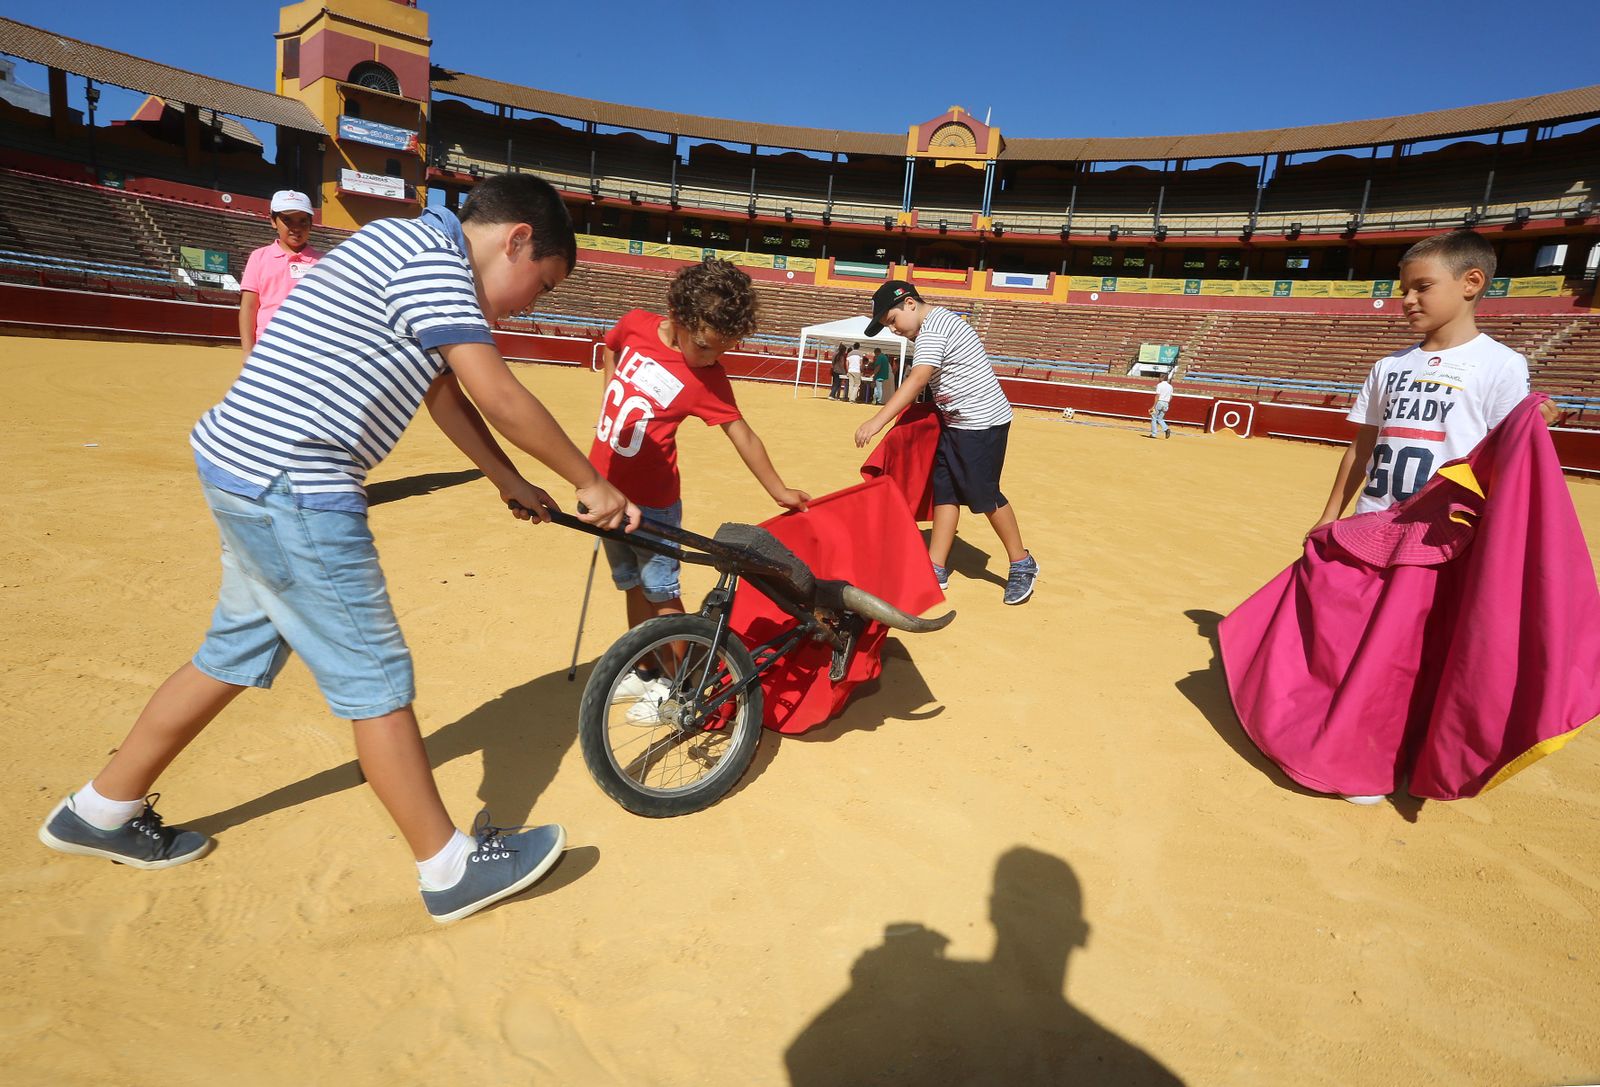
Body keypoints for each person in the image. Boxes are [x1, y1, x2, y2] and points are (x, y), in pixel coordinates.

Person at [37, 174, 638, 924]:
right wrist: (591, 481)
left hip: (243, 465)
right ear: (517, 240)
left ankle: (100, 808)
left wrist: (507, 479)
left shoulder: (402, 241)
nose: (530, 304)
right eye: (540, 284)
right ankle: (448, 867)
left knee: (231, 653)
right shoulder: (439, 263)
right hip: (296, 482)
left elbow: (442, 392)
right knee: (374, 675)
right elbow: (497, 393)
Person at [1299, 227, 1557, 802]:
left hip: (1439, 537)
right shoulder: (1387, 366)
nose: (1407, 300)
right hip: (1373, 523)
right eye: (1403, 290)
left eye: (1421, 287)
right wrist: (1330, 514)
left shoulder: (1500, 365)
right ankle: (1346, 741)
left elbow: (1510, 454)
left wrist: (1538, 417)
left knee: (1404, 654)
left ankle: (1379, 757)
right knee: (1353, 639)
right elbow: (1362, 448)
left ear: (1471, 283)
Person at [590, 258, 810, 715]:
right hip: (605, 490)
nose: (713, 358)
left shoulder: (708, 377)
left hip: (653, 502)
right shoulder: (635, 324)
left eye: (723, 350)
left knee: (662, 595)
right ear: (678, 316)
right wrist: (610, 392)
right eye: (706, 346)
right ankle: (646, 670)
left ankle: (682, 685)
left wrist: (779, 490)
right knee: (632, 586)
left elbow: (741, 433)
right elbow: (610, 347)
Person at [854, 281, 1039, 605]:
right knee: (946, 490)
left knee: (984, 494)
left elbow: (918, 379)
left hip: (981, 423)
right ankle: (935, 566)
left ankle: (1022, 562)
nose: (894, 330)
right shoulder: (934, 325)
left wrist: (877, 421)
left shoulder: (934, 328)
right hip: (956, 422)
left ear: (909, 304)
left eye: (892, 320)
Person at [238, 190, 323, 354]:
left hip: (312, 349)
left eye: (303, 221)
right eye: (287, 220)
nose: (296, 228)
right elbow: (249, 307)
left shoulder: (324, 262)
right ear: (273, 221)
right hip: (268, 347)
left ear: (311, 224)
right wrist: (248, 351)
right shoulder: (259, 257)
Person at [1147, 372, 1173, 438]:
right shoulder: (1170, 386)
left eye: (1159, 377)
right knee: (1160, 419)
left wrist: (1153, 406)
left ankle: (1153, 434)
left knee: (1154, 418)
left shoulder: (1159, 385)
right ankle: (1166, 429)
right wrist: (1166, 403)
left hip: (1159, 402)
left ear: (1162, 378)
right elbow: (1171, 397)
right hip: (1166, 403)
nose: (1159, 378)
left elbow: (1157, 396)